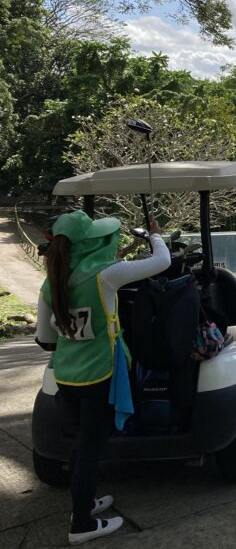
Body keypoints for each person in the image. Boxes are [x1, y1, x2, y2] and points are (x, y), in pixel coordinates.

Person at [35, 210, 170, 545]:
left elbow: (46, 339)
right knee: (90, 448)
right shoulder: (106, 275)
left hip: (66, 376)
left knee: (81, 441)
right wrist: (155, 234)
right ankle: (81, 524)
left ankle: (84, 501)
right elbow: (162, 261)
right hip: (100, 373)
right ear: (90, 242)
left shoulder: (51, 282)